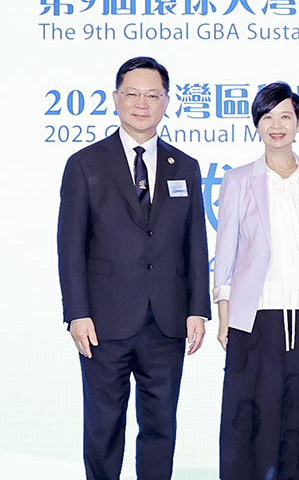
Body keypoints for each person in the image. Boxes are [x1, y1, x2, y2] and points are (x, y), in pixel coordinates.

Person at [57, 56, 211, 480]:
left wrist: (197, 309)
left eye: (152, 95)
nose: (142, 104)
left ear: (166, 102)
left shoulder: (186, 166)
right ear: (116, 98)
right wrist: (77, 313)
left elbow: (195, 243)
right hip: (103, 322)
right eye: (133, 94)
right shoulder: (85, 163)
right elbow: (70, 247)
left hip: (167, 321)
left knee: (161, 426)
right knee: (103, 426)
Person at [213, 82, 299, 479]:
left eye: (286, 116)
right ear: (257, 124)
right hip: (255, 319)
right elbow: (226, 252)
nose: (277, 125)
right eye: (268, 117)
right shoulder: (239, 180)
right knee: (254, 422)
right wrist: (224, 315)